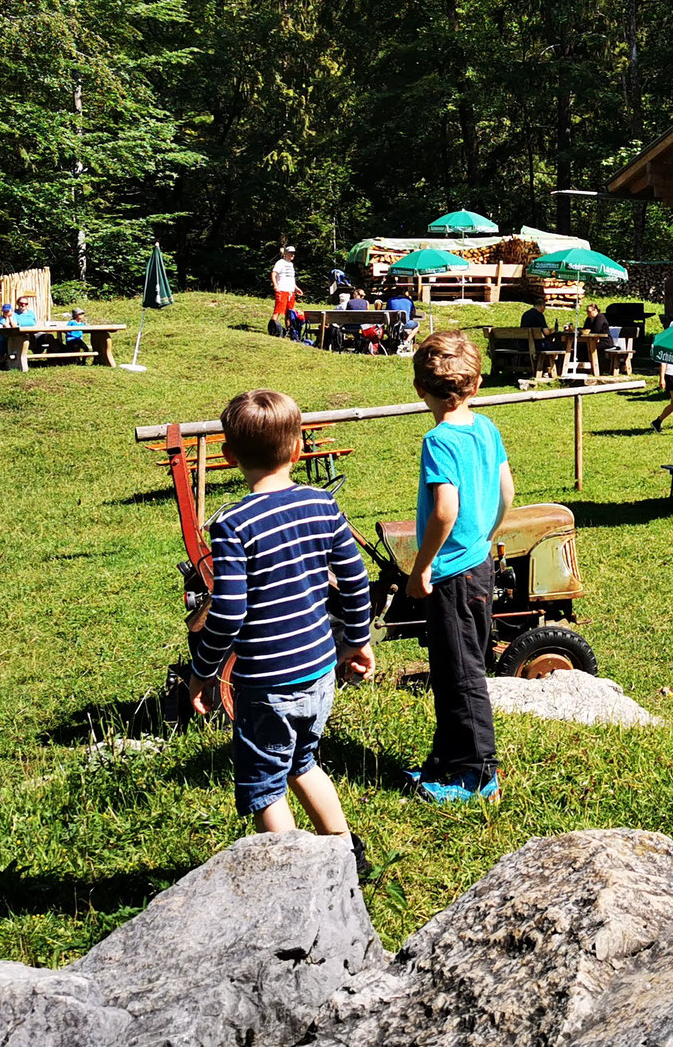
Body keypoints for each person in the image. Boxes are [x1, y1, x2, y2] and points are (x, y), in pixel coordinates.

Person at [188, 390, 376, 853]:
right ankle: (344, 850)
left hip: (266, 683)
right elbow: (355, 580)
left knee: (265, 786)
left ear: (229, 457)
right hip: (319, 670)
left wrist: (204, 670)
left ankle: (292, 874)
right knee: (304, 762)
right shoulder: (322, 504)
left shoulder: (233, 523)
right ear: (297, 450)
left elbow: (228, 611)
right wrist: (357, 639)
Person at [403, 332, 513, 804]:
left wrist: (422, 566)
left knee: (460, 675)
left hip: (450, 573)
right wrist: (487, 537)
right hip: (480, 563)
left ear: (419, 389)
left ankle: (476, 775)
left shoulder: (438, 439)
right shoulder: (486, 428)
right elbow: (507, 491)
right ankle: (446, 762)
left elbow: (445, 508)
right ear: (477, 382)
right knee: (455, 669)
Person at [270, 246, 301, 329]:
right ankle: (273, 328)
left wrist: (296, 288)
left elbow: (290, 278)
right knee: (278, 310)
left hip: (290, 291)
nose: (292, 255)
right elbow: (273, 274)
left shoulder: (291, 264)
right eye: (290, 253)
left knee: (289, 312)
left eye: (293, 253)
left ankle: (289, 330)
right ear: (285, 253)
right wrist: (275, 286)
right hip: (282, 289)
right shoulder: (280, 263)